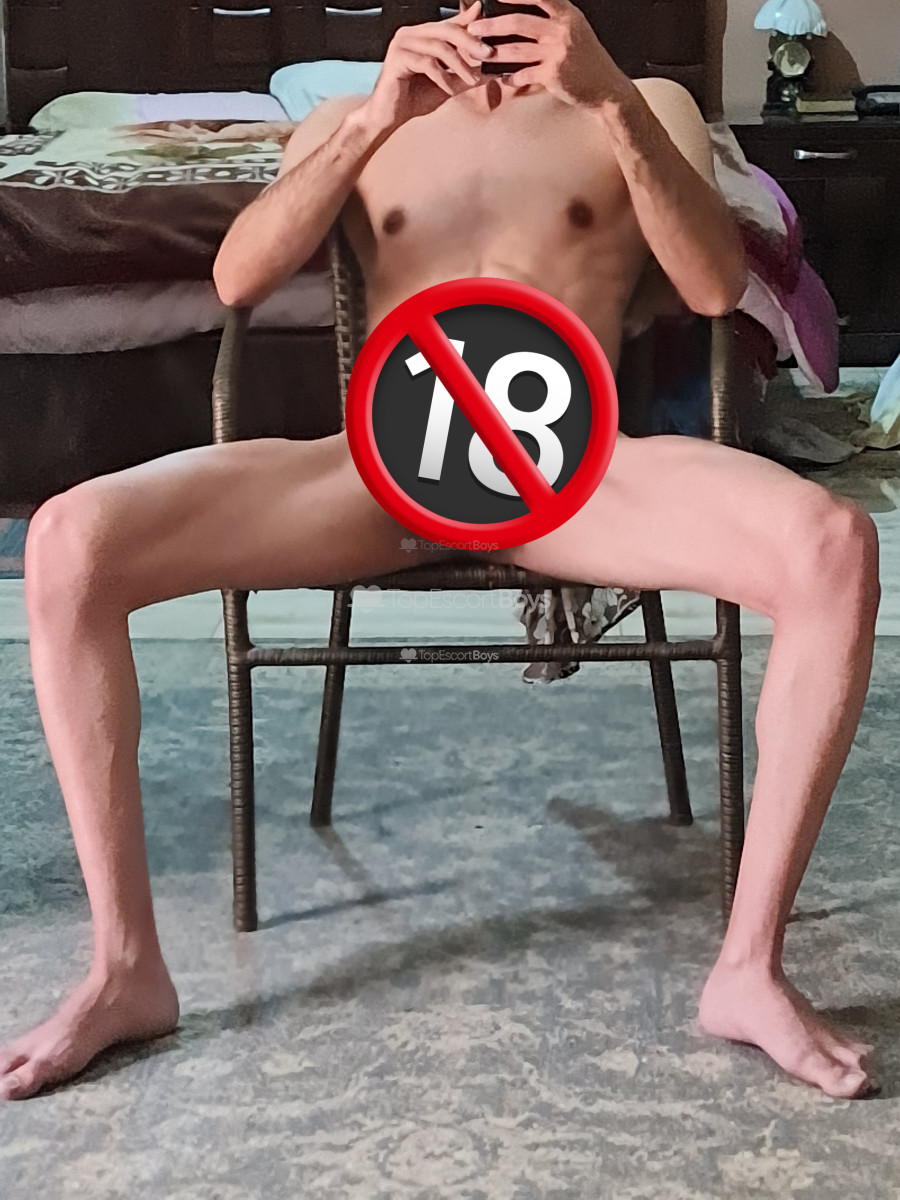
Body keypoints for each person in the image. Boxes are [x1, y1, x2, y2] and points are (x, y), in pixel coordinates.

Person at [0, 0, 880, 1101]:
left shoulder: (647, 101)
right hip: (379, 471)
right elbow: (236, 280)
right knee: (71, 541)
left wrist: (609, 99)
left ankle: (748, 969)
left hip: (572, 478)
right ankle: (124, 968)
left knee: (833, 546)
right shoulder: (348, 116)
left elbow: (710, 286)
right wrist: (375, 116)